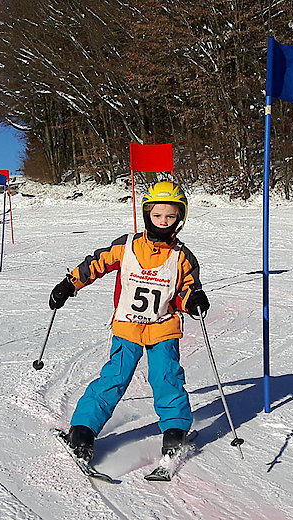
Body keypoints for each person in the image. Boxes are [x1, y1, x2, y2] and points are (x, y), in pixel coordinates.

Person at [48, 181, 210, 464]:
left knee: (166, 378)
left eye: (170, 216)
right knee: (115, 378)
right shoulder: (128, 246)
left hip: (163, 326)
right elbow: (95, 264)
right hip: (127, 326)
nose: (163, 221)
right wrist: (69, 284)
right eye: (157, 215)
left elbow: (186, 289)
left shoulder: (182, 256)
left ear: (180, 218)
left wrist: (194, 300)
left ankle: (174, 430)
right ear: (147, 214)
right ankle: (83, 429)